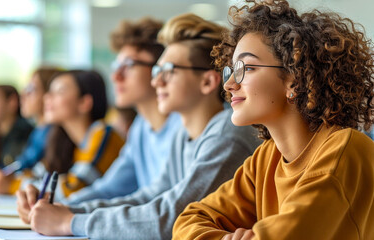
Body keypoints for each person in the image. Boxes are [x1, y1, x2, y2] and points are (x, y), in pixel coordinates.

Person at [17, 13, 262, 239]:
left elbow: (172, 217)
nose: (156, 80)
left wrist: (70, 222)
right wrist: (67, 209)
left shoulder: (226, 135)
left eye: (168, 71)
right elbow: (149, 196)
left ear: (208, 82)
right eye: (157, 70)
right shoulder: (181, 135)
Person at [172, 1, 374, 239]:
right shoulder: (266, 158)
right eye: (231, 70)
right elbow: (188, 220)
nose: (229, 85)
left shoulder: (344, 150)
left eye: (245, 68)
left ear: (294, 79)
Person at [59, 17, 182, 205]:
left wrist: (69, 216)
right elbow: (109, 189)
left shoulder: (184, 125)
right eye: (117, 66)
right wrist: (61, 207)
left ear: (160, 68)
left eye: (129, 65)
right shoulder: (141, 127)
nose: (116, 76)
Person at [20, 70, 125, 202]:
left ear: (84, 103)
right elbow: (37, 174)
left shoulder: (102, 132)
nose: (47, 97)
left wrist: (14, 186)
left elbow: (75, 187)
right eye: (49, 91)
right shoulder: (65, 140)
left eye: (59, 92)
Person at [0, 67, 62, 194]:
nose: (23, 95)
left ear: (48, 95)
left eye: (31, 89)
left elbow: (33, 171)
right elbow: (21, 165)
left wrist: (10, 183)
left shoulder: (50, 134)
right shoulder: (38, 133)